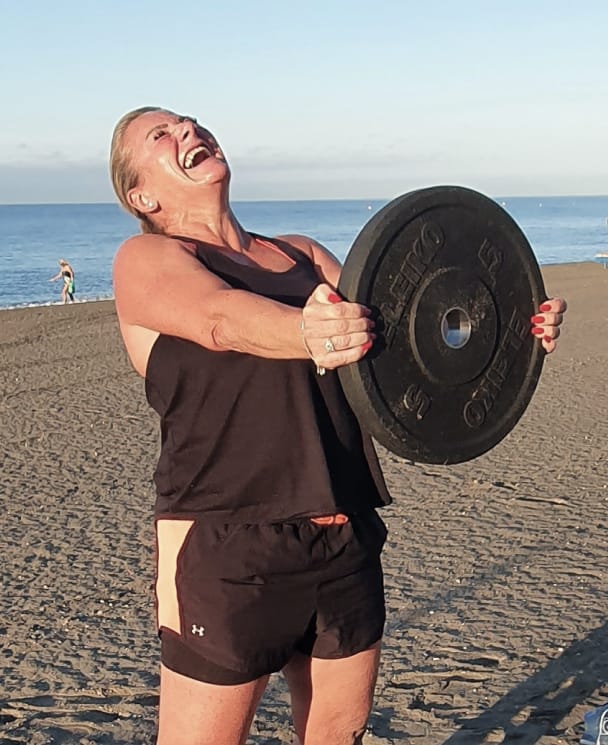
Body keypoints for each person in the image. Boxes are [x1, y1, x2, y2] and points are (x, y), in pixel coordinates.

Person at [109, 107, 567, 745]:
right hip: (229, 545)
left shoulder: (300, 254)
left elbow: (403, 343)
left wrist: (508, 333)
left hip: (343, 536)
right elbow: (220, 319)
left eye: (191, 122)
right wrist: (306, 330)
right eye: (162, 135)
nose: (189, 131)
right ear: (142, 194)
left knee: (338, 737)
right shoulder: (146, 258)